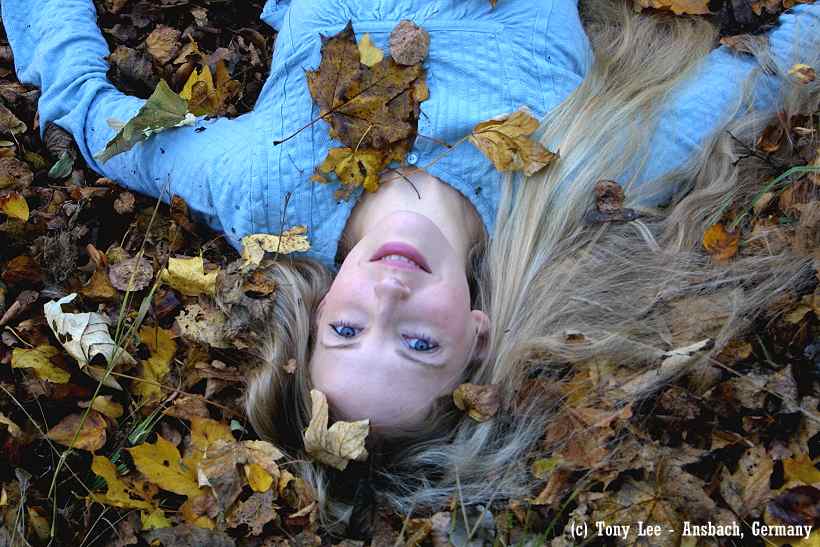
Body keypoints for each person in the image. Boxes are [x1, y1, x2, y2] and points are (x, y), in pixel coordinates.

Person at [3, 0, 819, 528]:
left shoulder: (261, 185)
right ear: (475, 337)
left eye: (352, 329)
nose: (390, 294)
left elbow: (98, 123)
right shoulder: (578, 182)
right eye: (418, 344)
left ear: (318, 311)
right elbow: (777, 73)